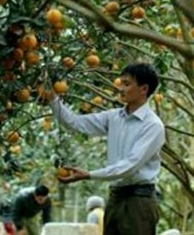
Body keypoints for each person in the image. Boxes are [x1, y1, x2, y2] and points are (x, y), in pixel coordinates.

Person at [50, 63, 165, 235]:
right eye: (121, 83)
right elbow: (76, 123)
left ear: (144, 89)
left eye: (126, 84)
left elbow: (130, 166)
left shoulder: (153, 126)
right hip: (115, 198)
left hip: (138, 202)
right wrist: (52, 99)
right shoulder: (114, 118)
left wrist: (89, 175)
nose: (121, 88)